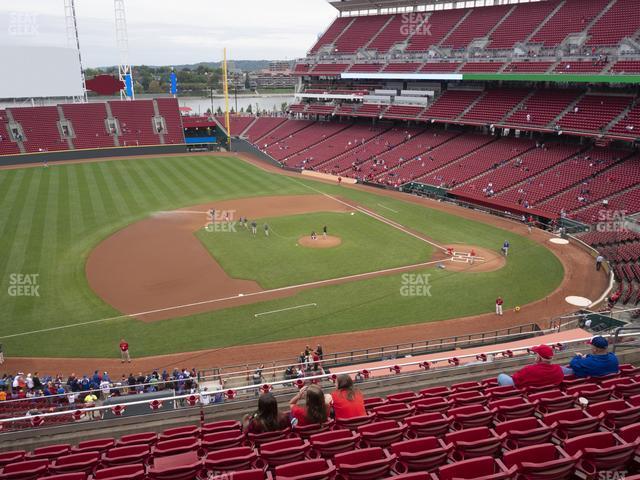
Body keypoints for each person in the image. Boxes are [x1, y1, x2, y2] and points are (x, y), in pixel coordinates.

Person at [497, 344, 564, 388]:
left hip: (531, 397)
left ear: (539, 358)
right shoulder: (558, 369)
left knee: (501, 376)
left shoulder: (529, 369)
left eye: (537, 354)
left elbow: (515, 380)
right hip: (548, 398)